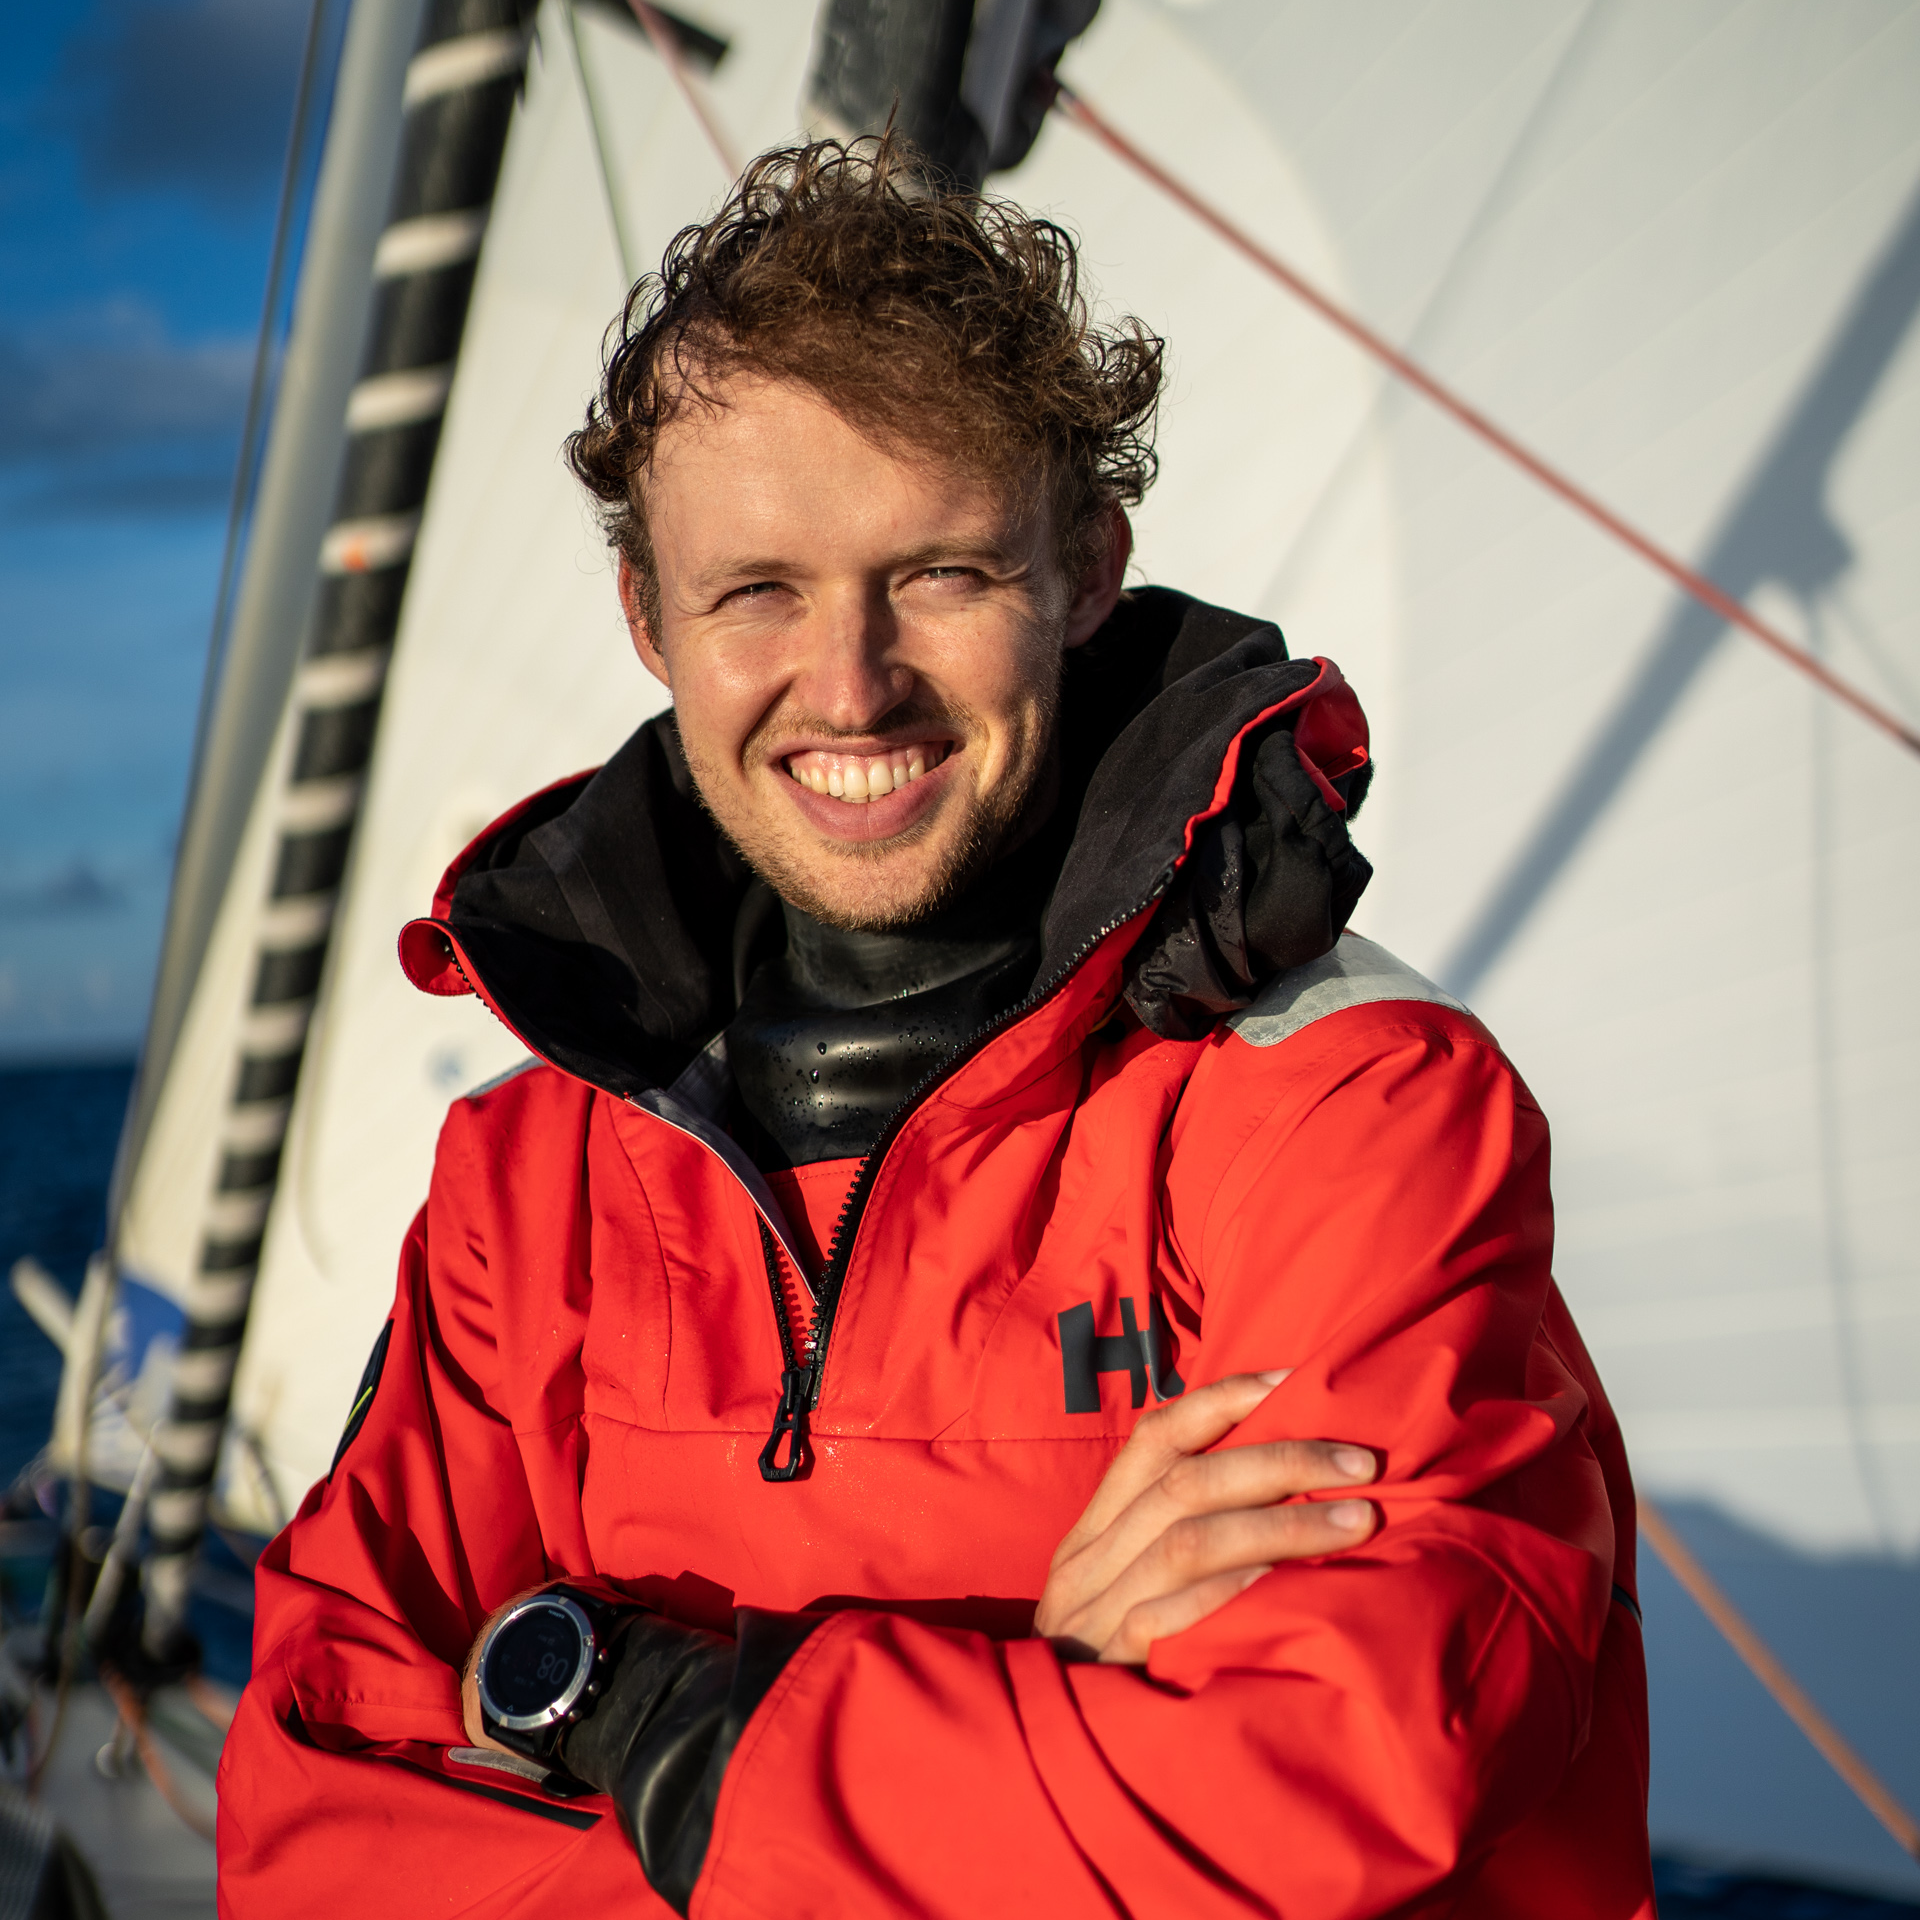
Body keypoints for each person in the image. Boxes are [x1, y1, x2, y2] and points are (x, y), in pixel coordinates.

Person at [217, 137, 1653, 1918]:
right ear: (650, 617)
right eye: (758, 590)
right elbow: (314, 1823)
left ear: (1087, 571)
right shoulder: (530, 1185)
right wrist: (1038, 1709)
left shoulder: (1345, 1109)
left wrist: (641, 1715)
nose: (851, 683)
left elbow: (1357, 1761)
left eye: (944, 574)